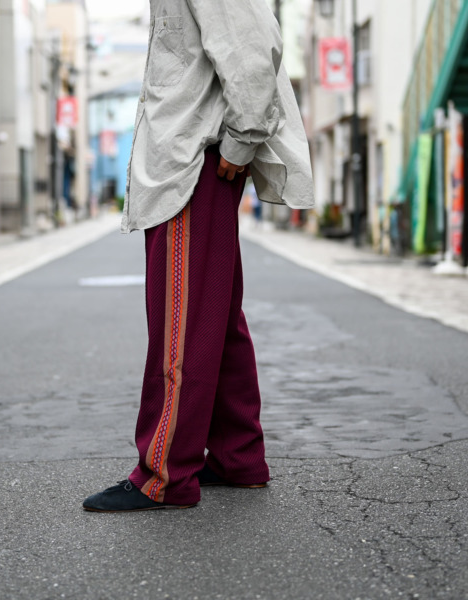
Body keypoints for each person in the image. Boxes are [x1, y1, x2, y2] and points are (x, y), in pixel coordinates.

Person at [82, 0, 314, 512]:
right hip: (193, 159)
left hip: (193, 163)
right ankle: (238, 457)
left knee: (181, 323)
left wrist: (242, 139)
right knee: (214, 318)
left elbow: (253, 45)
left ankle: (163, 474)